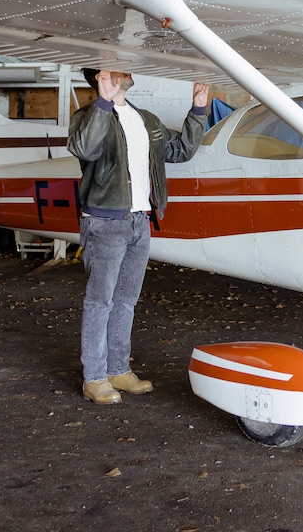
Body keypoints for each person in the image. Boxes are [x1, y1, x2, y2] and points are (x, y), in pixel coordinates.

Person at [68, 68, 209, 404]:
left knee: (125, 302)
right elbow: (84, 148)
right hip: (104, 221)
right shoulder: (87, 116)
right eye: (118, 66)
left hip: (139, 221)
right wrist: (103, 102)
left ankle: (118, 369)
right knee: (100, 301)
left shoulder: (145, 118)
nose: (128, 70)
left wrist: (199, 109)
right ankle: (95, 378)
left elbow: (180, 150)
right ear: (101, 75)